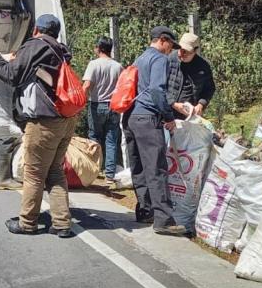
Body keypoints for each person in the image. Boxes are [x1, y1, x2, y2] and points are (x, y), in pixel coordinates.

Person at [0, 14, 77, 238]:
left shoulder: (36, 45)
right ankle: (61, 223)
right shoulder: (60, 50)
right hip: (66, 119)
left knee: (33, 173)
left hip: (44, 122)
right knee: (55, 171)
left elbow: (11, 75)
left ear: (36, 30)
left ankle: (27, 223)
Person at [125, 26, 186, 236]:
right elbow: (157, 90)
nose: (171, 50)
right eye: (171, 45)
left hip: (130, 117)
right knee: (156, 169)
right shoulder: (159, 59)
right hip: (147, 118)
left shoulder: (139, 58)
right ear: (162, 40)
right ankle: (164, 220)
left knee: (139, 168)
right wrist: (168, 116)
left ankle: (145, 211)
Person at [82, 37, 122, 183]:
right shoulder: (118, 66)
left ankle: (94, 169)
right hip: (113, 105)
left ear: (98, 48)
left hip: (96, 104)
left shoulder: (94, 64)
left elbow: (86, 85)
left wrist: (81, 100)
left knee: (94, 137)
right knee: (111, 139)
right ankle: (110, 175)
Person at [167, 32, 216, 120]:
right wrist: (173, 103)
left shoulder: (203, 66)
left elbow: (209, 88)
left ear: (195, 50)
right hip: (167, 112)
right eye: (180, 49)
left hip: (189, 115)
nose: (181, 54)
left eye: (186, 51)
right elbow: (159, 87)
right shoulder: (168, 60)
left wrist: (201, 104)